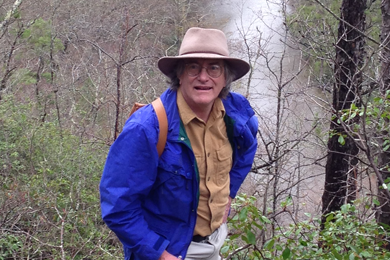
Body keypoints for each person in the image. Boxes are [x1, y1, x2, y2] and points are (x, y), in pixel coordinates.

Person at [99, 27, 258, 260]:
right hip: (169, 251)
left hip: (214, 242)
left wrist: (229, 194)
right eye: (193, 67)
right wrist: (161, 255)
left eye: (214, 68)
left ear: (225, 77)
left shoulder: (235, 110)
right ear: (179, 74)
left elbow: (248, 148)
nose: (204, 77)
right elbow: (118, 206)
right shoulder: (147, 128)